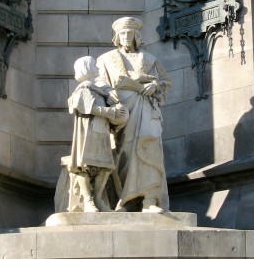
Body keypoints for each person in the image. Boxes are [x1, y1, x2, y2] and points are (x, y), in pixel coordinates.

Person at [96, 17, 171, 212]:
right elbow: (99, 82)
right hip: (123, 113)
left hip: (146, 109)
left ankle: (149, 199)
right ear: (117, 37)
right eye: (122, 34)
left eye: (129, 33)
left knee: (150, 148)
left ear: (136, 36)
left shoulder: (149, 59)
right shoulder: (106, 59)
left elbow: (166, 82)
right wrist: (108, 92)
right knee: (125, 152)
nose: (126, 37)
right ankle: (127, 200)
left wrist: (154, 85)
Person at [58, 56, 128, 212]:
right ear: (87, 68)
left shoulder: (98, 90)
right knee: (85, 165)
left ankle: (98, 198)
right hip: (88, 132)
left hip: (101, 132)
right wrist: (111, 112)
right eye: (94, 65)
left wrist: (116, 113)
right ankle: (88, 200)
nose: (97, 67)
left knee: (105, 166)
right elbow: (90, 107)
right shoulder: (84, 88)